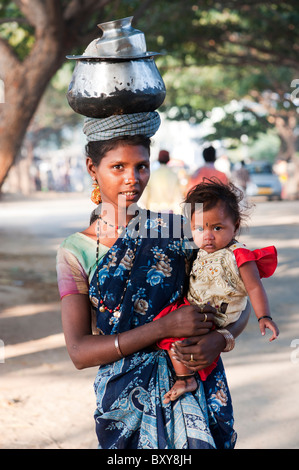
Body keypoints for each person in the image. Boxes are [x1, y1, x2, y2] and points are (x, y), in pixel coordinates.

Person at [56, 112, 251, 449]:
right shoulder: (75, 251)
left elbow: (237, 293)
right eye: (118, 167)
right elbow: (79, 351)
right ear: (92, 168)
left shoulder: (179, 229)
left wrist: (222, 339)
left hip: (192, 383)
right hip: (123, 401)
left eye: (141, 166)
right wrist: (162, 328)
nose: (133, 178)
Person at [156, 178, 279, 404]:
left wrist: (265, 316)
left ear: (236, 226)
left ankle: (186, 378)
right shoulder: (199, 251)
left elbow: (254, 286)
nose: (208, 235)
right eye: (200, 228)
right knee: (169, 329)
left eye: (217, 228)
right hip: (195, 308)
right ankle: (185, 376)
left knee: (184, 337)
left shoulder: (238, 254)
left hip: (217, 315)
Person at [141, 149, 183, 213]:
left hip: (153, 211)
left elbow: (144, 196)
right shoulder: (174, 175)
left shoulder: (152, 175)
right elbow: (178, 198)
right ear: (168, 160)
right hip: (169, 212)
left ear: (158, 159)